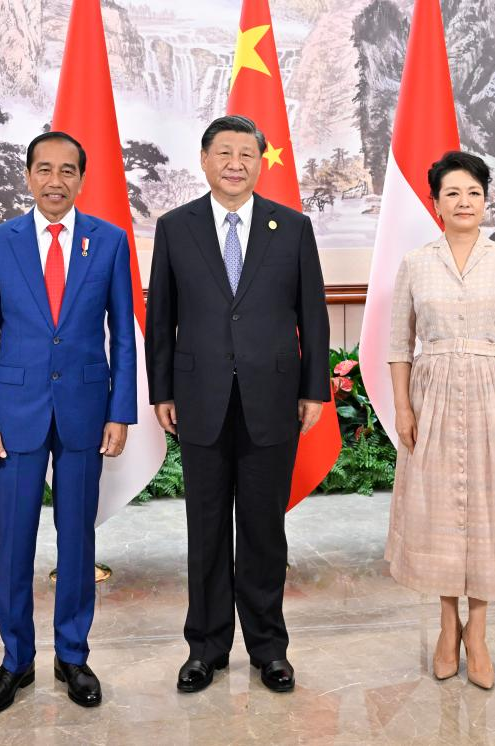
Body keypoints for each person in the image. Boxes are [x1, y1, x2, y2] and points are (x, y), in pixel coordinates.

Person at [145, 115, 330, 694]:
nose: (235, 163)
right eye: (224, 152)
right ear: (203, 160)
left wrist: (314, 388)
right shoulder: (176, 227)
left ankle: (269, 648)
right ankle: (205, 647)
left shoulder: (292, 228)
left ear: (261, 162)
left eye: (246, 154)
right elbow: (161, 321)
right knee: (204, 530)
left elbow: (313, 316)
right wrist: (162, 391)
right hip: (199, 398)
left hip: (271, 399)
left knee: (262, 530)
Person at [0, 131, 137, 716]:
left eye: (68, 170)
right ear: (28, 176)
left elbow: (123, 334)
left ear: (82, 180)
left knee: (78, 537)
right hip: (13, 415)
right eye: (44, 169)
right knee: (13, 542)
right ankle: (15, 660)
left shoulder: (108, 242)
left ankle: (72, 654)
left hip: (87, 412)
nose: (55, 180)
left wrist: (121, 409)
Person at [386, 151, 495, 690]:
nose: (463, 202)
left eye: (473, 192)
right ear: (435, 203)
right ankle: (445, 626)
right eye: (452, 193)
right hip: (431, 396)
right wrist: (403, 407)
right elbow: (397, 345)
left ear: (487, 199)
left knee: (486, 511)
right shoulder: (415, 263)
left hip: (492, 397)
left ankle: (477, 633)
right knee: (437, 512)